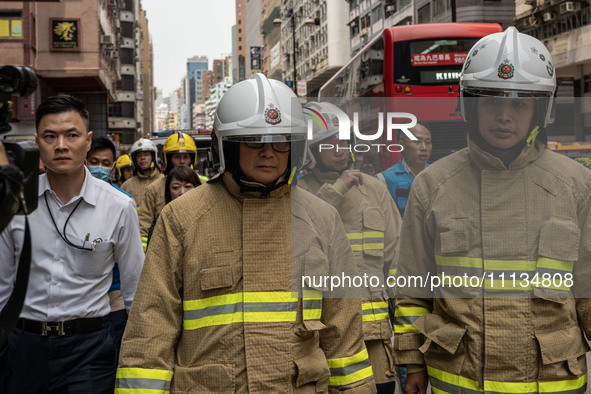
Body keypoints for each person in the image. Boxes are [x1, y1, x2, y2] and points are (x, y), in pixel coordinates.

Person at [116, 74, 376, 393]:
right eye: (254, 139)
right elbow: (150, 332)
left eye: (280, 140)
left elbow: (344, 334)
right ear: (228, 145)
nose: (268, 152)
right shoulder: (181, 218)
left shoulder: (322, 218)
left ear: (295, 147)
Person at [393, 27, 591, 394]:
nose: (504, 116)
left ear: (538, 111)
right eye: (491, 101)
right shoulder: (433, 186)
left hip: (552, 382)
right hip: (460, 380)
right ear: (470, 105)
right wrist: (411, 361)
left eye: (518, 103)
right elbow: (412, 287)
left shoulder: (576, 186)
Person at [0, 95, 144, 393]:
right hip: (22, 346)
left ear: (88, 141)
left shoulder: (118, 206)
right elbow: (2, 285)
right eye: (50, 136)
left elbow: (135, 292)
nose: (61, 145)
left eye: (72, 135)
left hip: (89, 350)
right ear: (37, 141)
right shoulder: (15, 202)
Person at [299, 101, 401, 393]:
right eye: (329, 143)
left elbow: (397, 258)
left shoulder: (373, 190)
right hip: (320, 335)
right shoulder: (299, 192)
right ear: (311, 150)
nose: (341, 148)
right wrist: (337, 189)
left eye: (343, 140)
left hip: (373, 334)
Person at [87, 136, 135, 363]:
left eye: (105, 164)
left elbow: (133, 269)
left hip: (114, 299)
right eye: (94, 161)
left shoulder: (123, 202)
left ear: (113, 166)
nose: (99, 168)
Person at [137, 132, 197, 249]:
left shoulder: (203, 184)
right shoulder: (154, 189)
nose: (182, 161)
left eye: (186, 157)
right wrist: (146, 256)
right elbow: (143, 227)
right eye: (177, 157)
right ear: (168, 159)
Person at [376, 123, 432, 218]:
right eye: (417, 141)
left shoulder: (437, 175)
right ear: (402, 145)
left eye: (428, 142)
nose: (424, 148)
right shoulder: (384, 180)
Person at [145, 166, 202, 247]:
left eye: (188, 186)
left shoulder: (207, 218)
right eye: (176, 187)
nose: (182, 192)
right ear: (169, 191)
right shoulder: (160, 221)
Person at [121, 138, 163, 210]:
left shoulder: (163, 181)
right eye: (138, 156)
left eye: (146, 154)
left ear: (153, 157)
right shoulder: (126, 186)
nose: (142, 158)